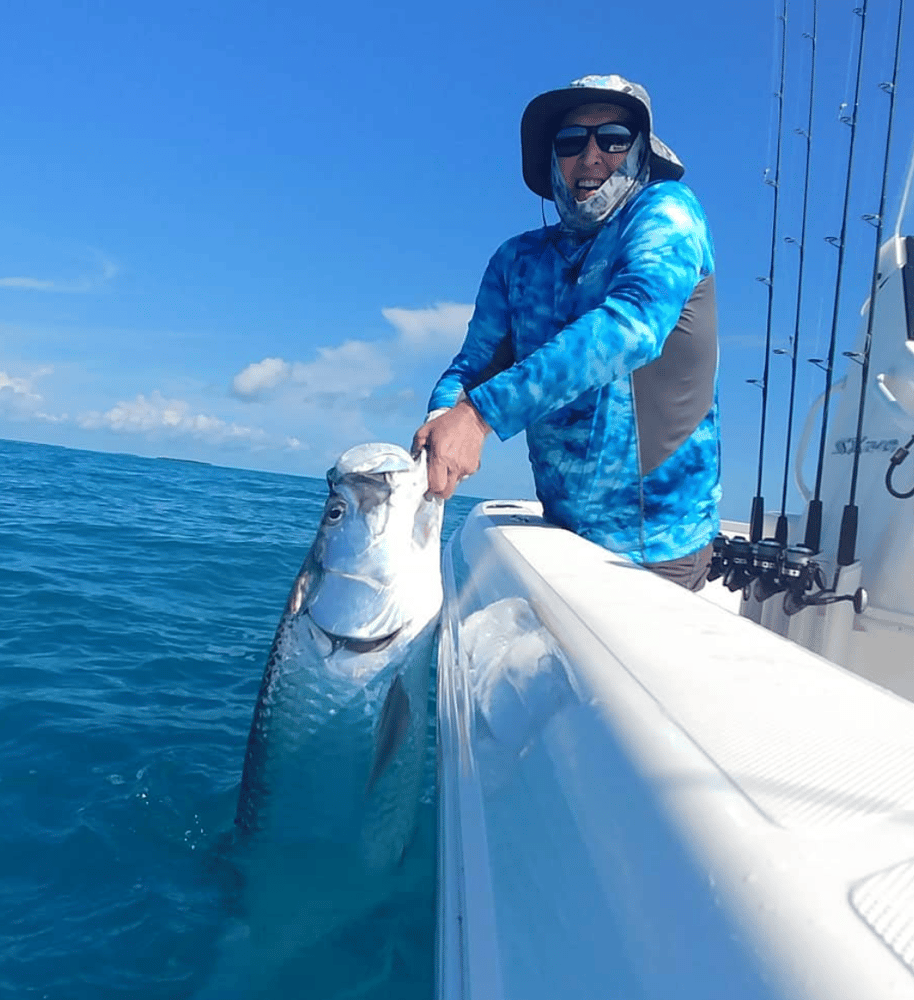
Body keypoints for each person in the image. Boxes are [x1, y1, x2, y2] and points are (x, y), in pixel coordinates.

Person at [412, 75, 720, 591]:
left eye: (614, 138)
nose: (592, 156)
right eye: (571, 142)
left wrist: (480, 416)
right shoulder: (516, 260)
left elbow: (633, 325)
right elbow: (472, 366)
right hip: (562, 536)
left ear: (642, 150)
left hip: (657, 547)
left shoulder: (668, 212)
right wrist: (443, 419)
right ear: (553, 159)